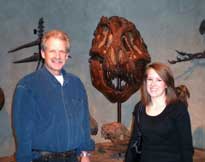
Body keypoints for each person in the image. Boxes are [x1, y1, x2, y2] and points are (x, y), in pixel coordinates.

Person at [12, 29, 95, 162]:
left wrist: (85, 154)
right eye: (52, 51)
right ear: (43, 53)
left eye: (62, 51)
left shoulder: (76, 84)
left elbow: (84, 122)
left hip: (73, 158)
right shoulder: (27, 86)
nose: (58, 56)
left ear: (67, 55)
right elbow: (23, 133)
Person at [125, 62, 193, 162]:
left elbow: (186, 148)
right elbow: (134, 141)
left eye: (158, 80)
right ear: (145, 82)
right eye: (150, 79)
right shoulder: (140, 108)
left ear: (166, 84)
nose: (153, 84)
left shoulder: (178, 109)